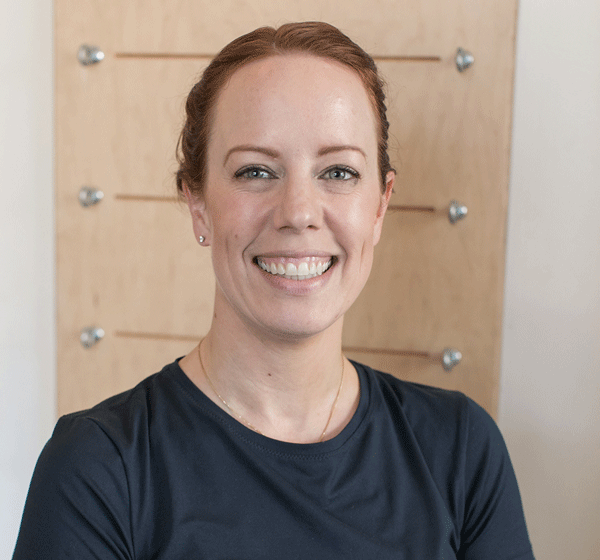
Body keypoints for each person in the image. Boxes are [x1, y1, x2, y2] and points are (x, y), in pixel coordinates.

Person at [13, 22, 535, 559]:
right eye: (256, 171)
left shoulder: (460, 450)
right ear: (197, 203)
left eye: (338, 171)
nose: (300, 213)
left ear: (380, 204)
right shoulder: (99, 470)